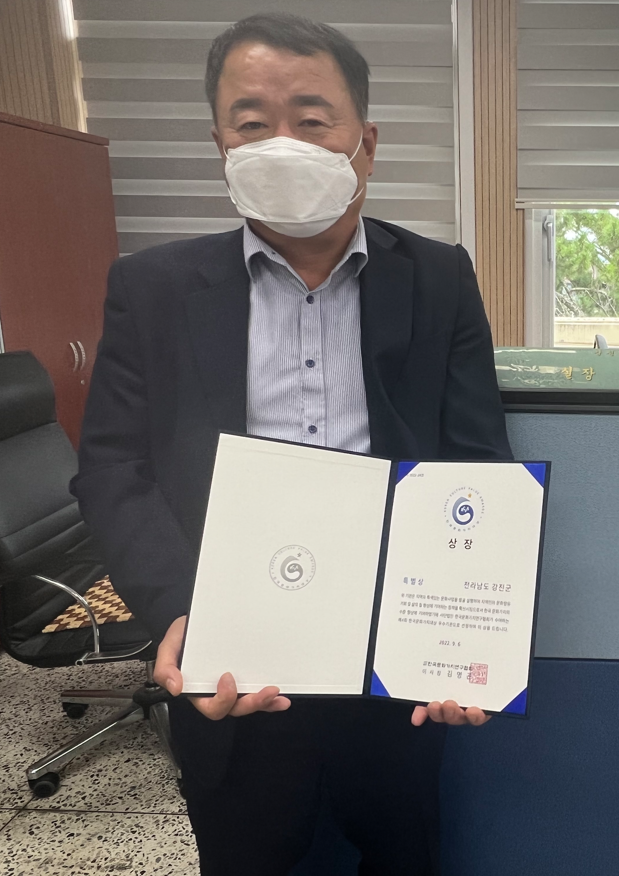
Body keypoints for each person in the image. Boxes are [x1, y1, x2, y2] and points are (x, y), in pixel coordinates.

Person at [71, 12, 512, 876]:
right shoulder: (152, 288)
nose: (281, 145)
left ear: (365, 145)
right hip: (232, 657)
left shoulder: (438, 277)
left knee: (403, 850)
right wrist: (181, 613)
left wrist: (468, 637)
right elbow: (113, 469)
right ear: (220, 146)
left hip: (395, 659)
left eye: (311, 121)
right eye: (251, 124)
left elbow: (476, 464)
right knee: (247, 853)